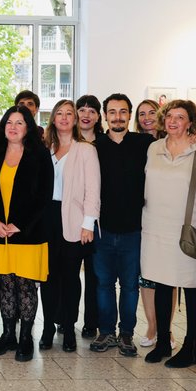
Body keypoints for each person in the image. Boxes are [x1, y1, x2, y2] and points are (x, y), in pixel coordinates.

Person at [141, 100, 196, 367]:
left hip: (189, 230)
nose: (173, 121)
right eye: (169, 116)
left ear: (190, 122)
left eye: (180, 117)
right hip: (155, 229)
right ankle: (163, 342)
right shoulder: (154, 148)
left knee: (192, 287)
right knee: (162, 285)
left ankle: (191, 348)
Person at [0, 106, 53, 362]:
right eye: (9, 122)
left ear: (28, 128)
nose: (13, 127)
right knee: (5, 284)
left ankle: (25, 338)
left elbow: (44, 196)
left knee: (25, 285)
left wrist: (20, 224)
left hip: (28, 234)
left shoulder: (40, 155)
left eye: (19, 123)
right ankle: (8, 335)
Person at [90, 94, 154, 357]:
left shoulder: (145, 144)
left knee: (129, 286)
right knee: (103, 284)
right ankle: (106, 331)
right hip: (102, 229)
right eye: (112, 112)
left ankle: (126, 333)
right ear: (105, 116)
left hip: (134, 230)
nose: (118, 117)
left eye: (123, 111)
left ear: (129, 115)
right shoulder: (95, 146)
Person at [39, 99, 100, 353]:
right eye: (59, 113)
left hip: (74, 220)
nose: (64, 118)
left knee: (70, 278)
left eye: (69, 114)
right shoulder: (45, 148)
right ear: (53, 119)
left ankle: (68, 327)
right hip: (47, 219)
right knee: (47, 277)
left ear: (74, 120)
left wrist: (88, 223)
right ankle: (47, 328)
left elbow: (93, 190)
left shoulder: (85, 150)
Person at [133, 98, 168, 346]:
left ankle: (167, 329)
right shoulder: (136, 143)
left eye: (151, 112)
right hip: (142, 216)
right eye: (142, 114)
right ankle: (152, 326)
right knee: (146, 276)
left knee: (167, 277)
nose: (147, 118)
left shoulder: (172, 142)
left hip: (166, 217)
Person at [74, 94, 103, 338]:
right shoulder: (66, 141)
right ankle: (65, 319)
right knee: (68, 273)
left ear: (98, 116)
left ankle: (91, 321)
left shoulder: (104, 144)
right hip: (69, 218)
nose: (86, 115)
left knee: (94, 275)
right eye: (82, 109)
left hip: (96, 221)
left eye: (92, 111)